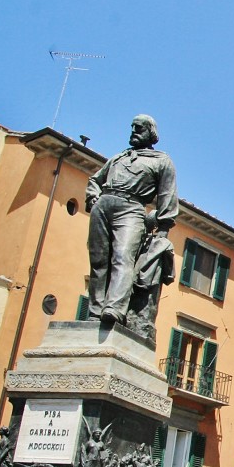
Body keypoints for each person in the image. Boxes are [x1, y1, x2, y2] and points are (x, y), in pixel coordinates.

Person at [86, 115, 177, 325]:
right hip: (103, 204)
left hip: (132, 208)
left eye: (139, 127)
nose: (133, 130)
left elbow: (167, 194)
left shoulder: (162, 161)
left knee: (123, 256)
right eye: (132, 127)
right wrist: (93, 197)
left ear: (151, 133)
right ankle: (95, 310)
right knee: (99, 260)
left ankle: (114, 308)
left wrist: (164, 227)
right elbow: (95, 180)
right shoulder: (119, 158)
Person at [126, 211, 176, 342]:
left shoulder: (141, 239)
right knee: (147, 311)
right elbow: (169, 273)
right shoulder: (166, 245)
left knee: (131, 307)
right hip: (152, 282)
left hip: (134, 278)